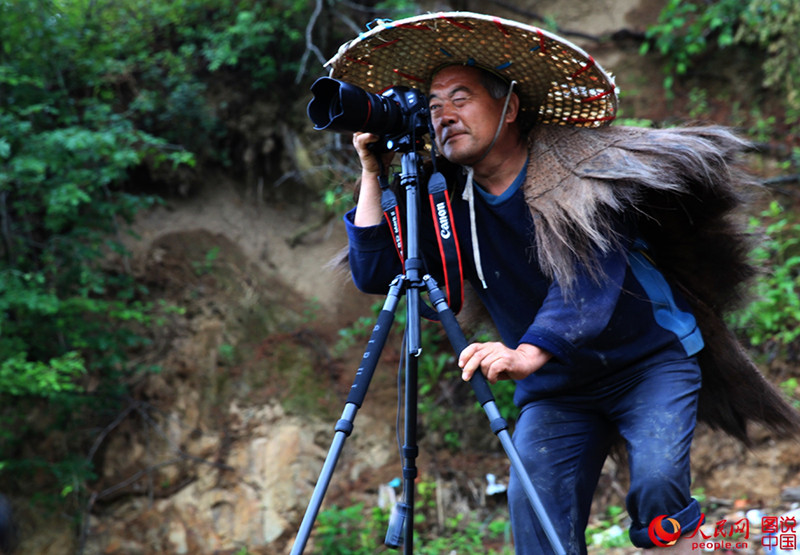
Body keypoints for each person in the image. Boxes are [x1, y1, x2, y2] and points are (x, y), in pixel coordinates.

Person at [327, 12, 800, 554]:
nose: (444, 115)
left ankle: (721, 541)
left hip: (647, 363)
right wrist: (371, 170)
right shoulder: (444, 198)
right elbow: (376, 273)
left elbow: (588, 284)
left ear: (509, 107)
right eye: (434, 106)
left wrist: (527, 352)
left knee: (658, 492)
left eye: (461, 97)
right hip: (558, 392)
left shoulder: (581, 171)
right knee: (535, 511)